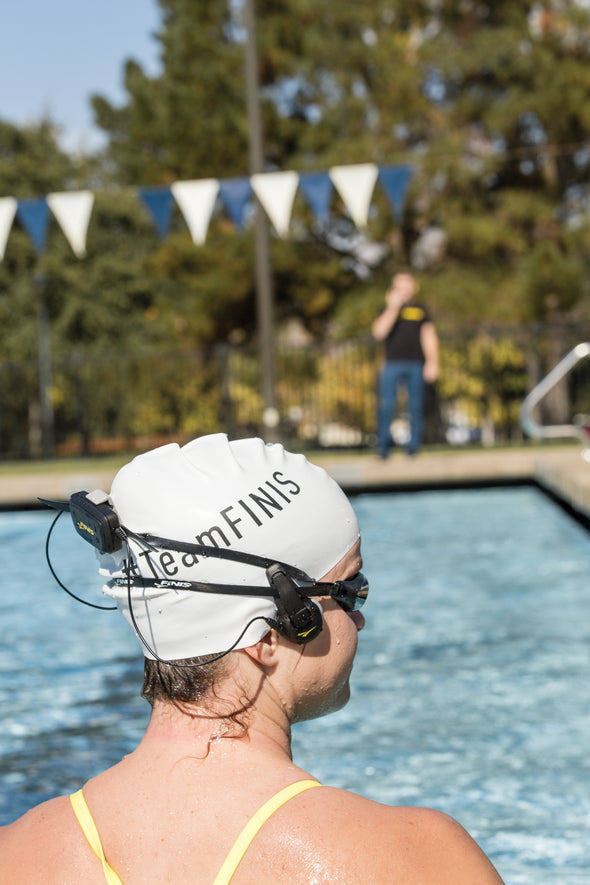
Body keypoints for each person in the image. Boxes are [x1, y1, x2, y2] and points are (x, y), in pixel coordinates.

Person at [0, 434, 503, 884]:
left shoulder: (17, 857)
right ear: (263, 633)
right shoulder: (411, 859)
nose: (361, 616)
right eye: (350, 588)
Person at [372, 270, 439, 458]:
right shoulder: (386, 309)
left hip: (416, 364)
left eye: (407, 285)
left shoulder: (421, 310)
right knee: (386, 405)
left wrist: (433, 362)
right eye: (399, 286)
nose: (404, 290)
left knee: (415, 406)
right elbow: (379, 333)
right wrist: (392, 308)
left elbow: (429, 336)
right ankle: (383, 448)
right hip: (392, 364)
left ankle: (413, 449)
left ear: (414, 287)